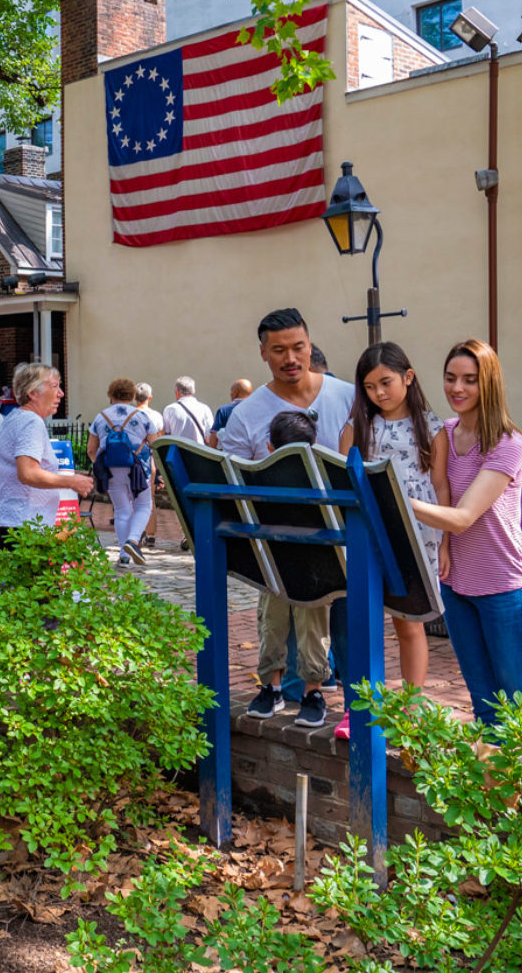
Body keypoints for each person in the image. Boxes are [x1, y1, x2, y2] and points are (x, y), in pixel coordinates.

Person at [226, 309, 356, 730]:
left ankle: (356, 707)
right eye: (278, 350)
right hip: (279, 542)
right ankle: (283, 689)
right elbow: (231, 478)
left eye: (298, 346)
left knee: (346, 629)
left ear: (309, 343)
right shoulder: (248, 414)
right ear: (263, 352)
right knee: (277, 616)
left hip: (343, 538)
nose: (290, 357)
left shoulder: (348, 396)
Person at [410, 340, 522, 728]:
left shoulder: (507, 442)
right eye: (450, 379)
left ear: (489, 384)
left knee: (520, 711)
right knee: (483, 705)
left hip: (505, 587)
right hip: (456, 584)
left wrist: (394, 500)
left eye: (470, 380)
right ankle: (491, 788)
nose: (457, 389)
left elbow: (464, 516)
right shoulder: (444, 433)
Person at [340, 342, 446, 737]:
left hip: (417, 532)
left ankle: (412, 704)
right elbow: (345, 483)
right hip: (368, 532)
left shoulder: (432, 426)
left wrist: (446, 543)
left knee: (409, 621)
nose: (378, 393)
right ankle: (364, 703)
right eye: (369, 387)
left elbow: (440, 485)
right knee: (362, 619)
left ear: (408, 377)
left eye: (385, 382)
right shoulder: (357, 427)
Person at [0, 363, 94, 549]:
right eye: (54, 386)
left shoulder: (14, 418)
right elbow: (27, 473)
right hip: (24, 525)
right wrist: (71, 481)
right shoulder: (31, 421)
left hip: (13, 523)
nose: (61, 393)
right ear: (32, 392)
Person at [86, 378, 160, 565]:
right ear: (132, 395)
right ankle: (133, 541)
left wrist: (99, 465)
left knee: (121, 510)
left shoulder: (100, 417)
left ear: (111, 395)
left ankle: (124, 555)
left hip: (111, 470)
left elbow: (91, 449)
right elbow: (155, 444)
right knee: (143, 505)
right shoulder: (142, 416)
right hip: (138, 468)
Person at [134, 383, 165, 548]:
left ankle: (136, 534)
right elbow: (160, 441)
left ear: (134, 397)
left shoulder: (129, 415)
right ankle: (151, 534)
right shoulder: (157, 416)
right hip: (150, 461)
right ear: (149, 398)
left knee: (132, 498)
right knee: (149, 499)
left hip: (131, 461)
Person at [161, 377, 214, 444]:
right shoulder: (205, 409)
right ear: (193, 391)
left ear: (177, 392)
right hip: (199, 452)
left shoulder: (170, 409)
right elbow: (209, 437)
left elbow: (166, 435)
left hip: (177, 452)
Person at [207, 380, 254, 449]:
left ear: (235, 393)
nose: (230, 394)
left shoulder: (224, 411)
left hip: (229, 456)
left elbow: (213, 442)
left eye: (231, 391)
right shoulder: (256, 411)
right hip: (253, 457)